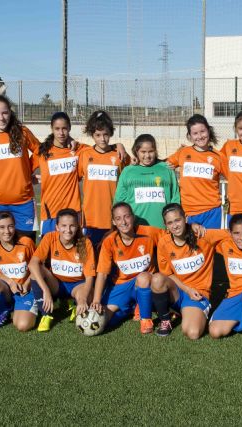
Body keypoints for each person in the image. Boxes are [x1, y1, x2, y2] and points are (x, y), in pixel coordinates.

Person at [151, 204, 228, 338]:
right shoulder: (164, 243)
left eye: (177, 220)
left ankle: (186, 311)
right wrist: (187, 290)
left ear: (185, 218)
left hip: (199, 293)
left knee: (193, 333)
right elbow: (167, 274)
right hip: (178, 290)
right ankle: (165, 319)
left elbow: (233, 233)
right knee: (157, 279)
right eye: (170, 223)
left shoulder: (202, 235)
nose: (174, 225)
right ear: (166, 225)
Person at [0, 95, 40, 241]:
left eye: (4, 113)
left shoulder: (22, 132)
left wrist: (27, 170)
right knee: (4, 252)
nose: (1, 118)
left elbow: (42, 151)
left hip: (24, 202)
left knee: (27, 248)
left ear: (10, 112)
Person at [91, 202, 162, 334]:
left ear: (133, 217)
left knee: (143, 276)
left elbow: (173, 234)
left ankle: (145, 319)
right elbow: (102, 273)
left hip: (145, 283)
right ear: (113, 222)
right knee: (102, 322)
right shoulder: (110, 241)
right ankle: (131, 307)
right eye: (118, 218)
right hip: (121, 286)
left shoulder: (149, 233)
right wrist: (96, 300)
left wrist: (191, 226)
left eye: (126, 216)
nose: (123, 222)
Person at [28, 209, 96, 332]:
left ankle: (75, 302)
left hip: (77, 285)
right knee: (36, 271)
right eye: (64, 226)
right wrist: (46, 290)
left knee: (86, 301)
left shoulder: (85, 243)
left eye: (72, 226)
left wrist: (83, 299)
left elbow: (90, 276)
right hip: (56, 284)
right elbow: (32, 264)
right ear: (57, 227)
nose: (68, 230)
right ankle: (46, 314)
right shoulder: (49, 237)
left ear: (78, 226)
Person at [77, 110, 129, 247]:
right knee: (90, 258)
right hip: (90, 218)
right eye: (98, 135)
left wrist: (119, 145)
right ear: (92, 135)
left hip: (114, 218)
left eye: (106, 134)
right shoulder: (84, 154)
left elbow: (136, 168)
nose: (102, 139)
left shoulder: (119, 155)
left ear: (111, 133)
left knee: (112, 261)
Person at [0, 211, 37, 332]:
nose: (7, 231)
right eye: (1, 227)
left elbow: (38, 267)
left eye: (10, 226)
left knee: (23, 325)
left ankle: (20, 307)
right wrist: (10, 282)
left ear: (15, 226)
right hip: (7, 288)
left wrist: (27, 284)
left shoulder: (26, 242)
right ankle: (4, 311)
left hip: (25, 290)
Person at [166, 114, 224, 229]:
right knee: (190, 246)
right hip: (188, 212)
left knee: (208, 245)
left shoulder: (219, 157)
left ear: (209, 130)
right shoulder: (183, 153)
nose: (200, 136)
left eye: (203, 131)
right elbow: (163, 165)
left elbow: (236, 176)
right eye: (195, 133)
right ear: (190, 136)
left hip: (212, 212)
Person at [114, 134, 180, 228]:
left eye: (151, 151)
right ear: (136, 151)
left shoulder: (166, 169)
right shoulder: (128, 171)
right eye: (143, 152)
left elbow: (175, 197)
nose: (147, 156)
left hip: (163, 229)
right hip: (136, 229)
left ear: (155, 151)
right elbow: (119, 201)